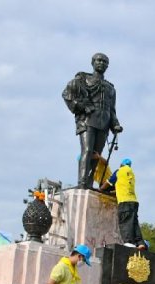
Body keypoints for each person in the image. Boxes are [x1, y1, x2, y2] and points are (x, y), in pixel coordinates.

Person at [62, 52, 123, 190]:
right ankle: (83, 182)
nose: (102, 63)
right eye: (99, 60)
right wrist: (82, 106)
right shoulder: (83, 79)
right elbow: (67, 94)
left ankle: (89, 183)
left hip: (104, 123)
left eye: (105, 62)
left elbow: (112, 109)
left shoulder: (111, 88)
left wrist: (115, 125)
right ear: (93, 62)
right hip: (88, 120)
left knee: (96, 156)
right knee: (87, 150)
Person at [105, 159, 145, 250]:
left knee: (125, 222)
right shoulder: (131, 174)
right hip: (133, 201)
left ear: (121, 164)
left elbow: (108, 183)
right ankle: (140, 242)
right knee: (134, 222)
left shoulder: (119, 171)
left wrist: (101, 189)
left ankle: (129, 243)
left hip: (124, 201)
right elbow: (122, 187)